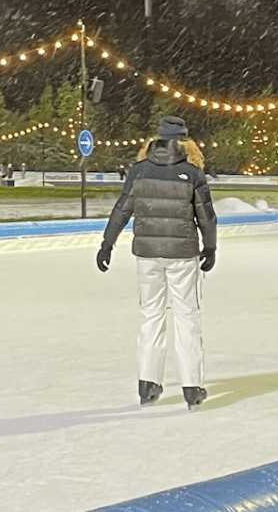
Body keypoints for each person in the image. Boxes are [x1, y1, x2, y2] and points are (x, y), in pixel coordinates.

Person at [96, 116, 217, 412]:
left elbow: (122, 208)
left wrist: (107, 243)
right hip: (182, 254)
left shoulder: (138, 171)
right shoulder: (192, 173)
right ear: (185, 141)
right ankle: (191, 386)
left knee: (151, 315)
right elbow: (206, 216)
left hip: (147, 254)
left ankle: (148, 382)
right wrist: (210, 247)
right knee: (186, 316)